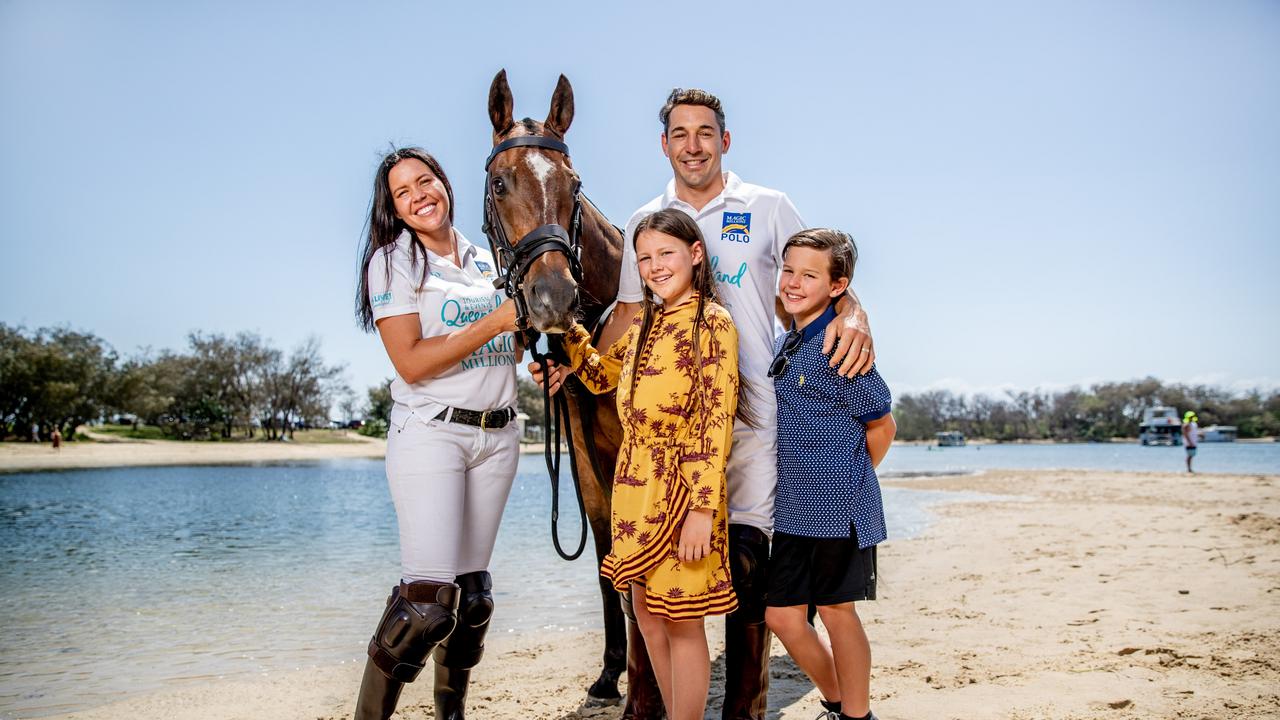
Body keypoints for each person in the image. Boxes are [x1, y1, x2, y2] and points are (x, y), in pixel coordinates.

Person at [533, 87, 878, 719]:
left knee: (749, 579)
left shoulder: (767, 206)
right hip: (669, 448)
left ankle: (757, 706)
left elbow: (822, 272)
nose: (693, 144)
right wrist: (571, 361)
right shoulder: (649, 220)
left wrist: (855, 312)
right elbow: (629, 325)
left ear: (725, 139)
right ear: (664, 144)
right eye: (680, 133)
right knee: (656, 596)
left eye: (705, 132)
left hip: (765, 420)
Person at [352, 147, 522, 720]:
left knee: (472, 599)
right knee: (428, 603)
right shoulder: (392, 262)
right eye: (404, 192)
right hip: (432, 434)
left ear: (445, 184)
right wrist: (496, 321)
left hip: (497, 437)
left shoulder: (486, 256)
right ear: (395, 209)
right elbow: (413, 362)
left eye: (426, 181)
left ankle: (451, 713)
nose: (419, 195)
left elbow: (509, 344)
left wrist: (535, 353)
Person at [555, 209, 743, 720]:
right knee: (644, 612)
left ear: (695, 254)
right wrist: (565, 331)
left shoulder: (713, 323)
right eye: (645, 258)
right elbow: (599, 377)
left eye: (666, 253)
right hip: (633, 487)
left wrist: (703, 509)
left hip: (684, 486)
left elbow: (714, 420)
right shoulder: (643, 325)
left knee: (682, 618)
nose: (656, 266)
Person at [764, 229, 895, 720]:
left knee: (839, 613)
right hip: (792, 511)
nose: (794, 283)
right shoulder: (788, 341)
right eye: (789, 270)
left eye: (810, 275)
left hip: (839, 512)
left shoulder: (841, 346)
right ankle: (839, 702)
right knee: (782, 617)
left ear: (837, 287)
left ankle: (856, 717)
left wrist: (850, 481)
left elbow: (883, 425)